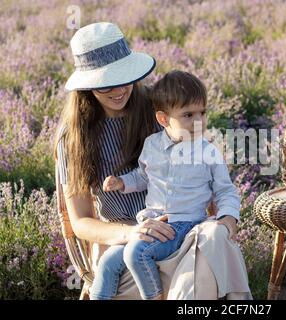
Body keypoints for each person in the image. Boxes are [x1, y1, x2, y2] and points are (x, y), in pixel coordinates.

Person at [54, 22, 252, 299]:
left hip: (181, 231)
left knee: (215, 240)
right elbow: (81, 222)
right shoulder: (73, 136)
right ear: (87, 86)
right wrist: (132, 232)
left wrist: (223, 215)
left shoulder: (158, 110)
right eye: (105, 83)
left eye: (124, 77)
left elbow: (204, 174)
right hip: (125, 246)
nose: (119, 90)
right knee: (198, 275)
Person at [90, 71, 241, 300]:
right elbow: (143, 176)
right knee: (108, 262)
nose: (198, 121)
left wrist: (228, 217)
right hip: (151, 222)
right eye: (188, 115)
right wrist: (122, 183)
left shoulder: (208, 152)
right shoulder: (152, 145)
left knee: (136, 253)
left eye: (202, 113)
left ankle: (155, 297)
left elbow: (225, 190)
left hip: (184, 225)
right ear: (163, 119)